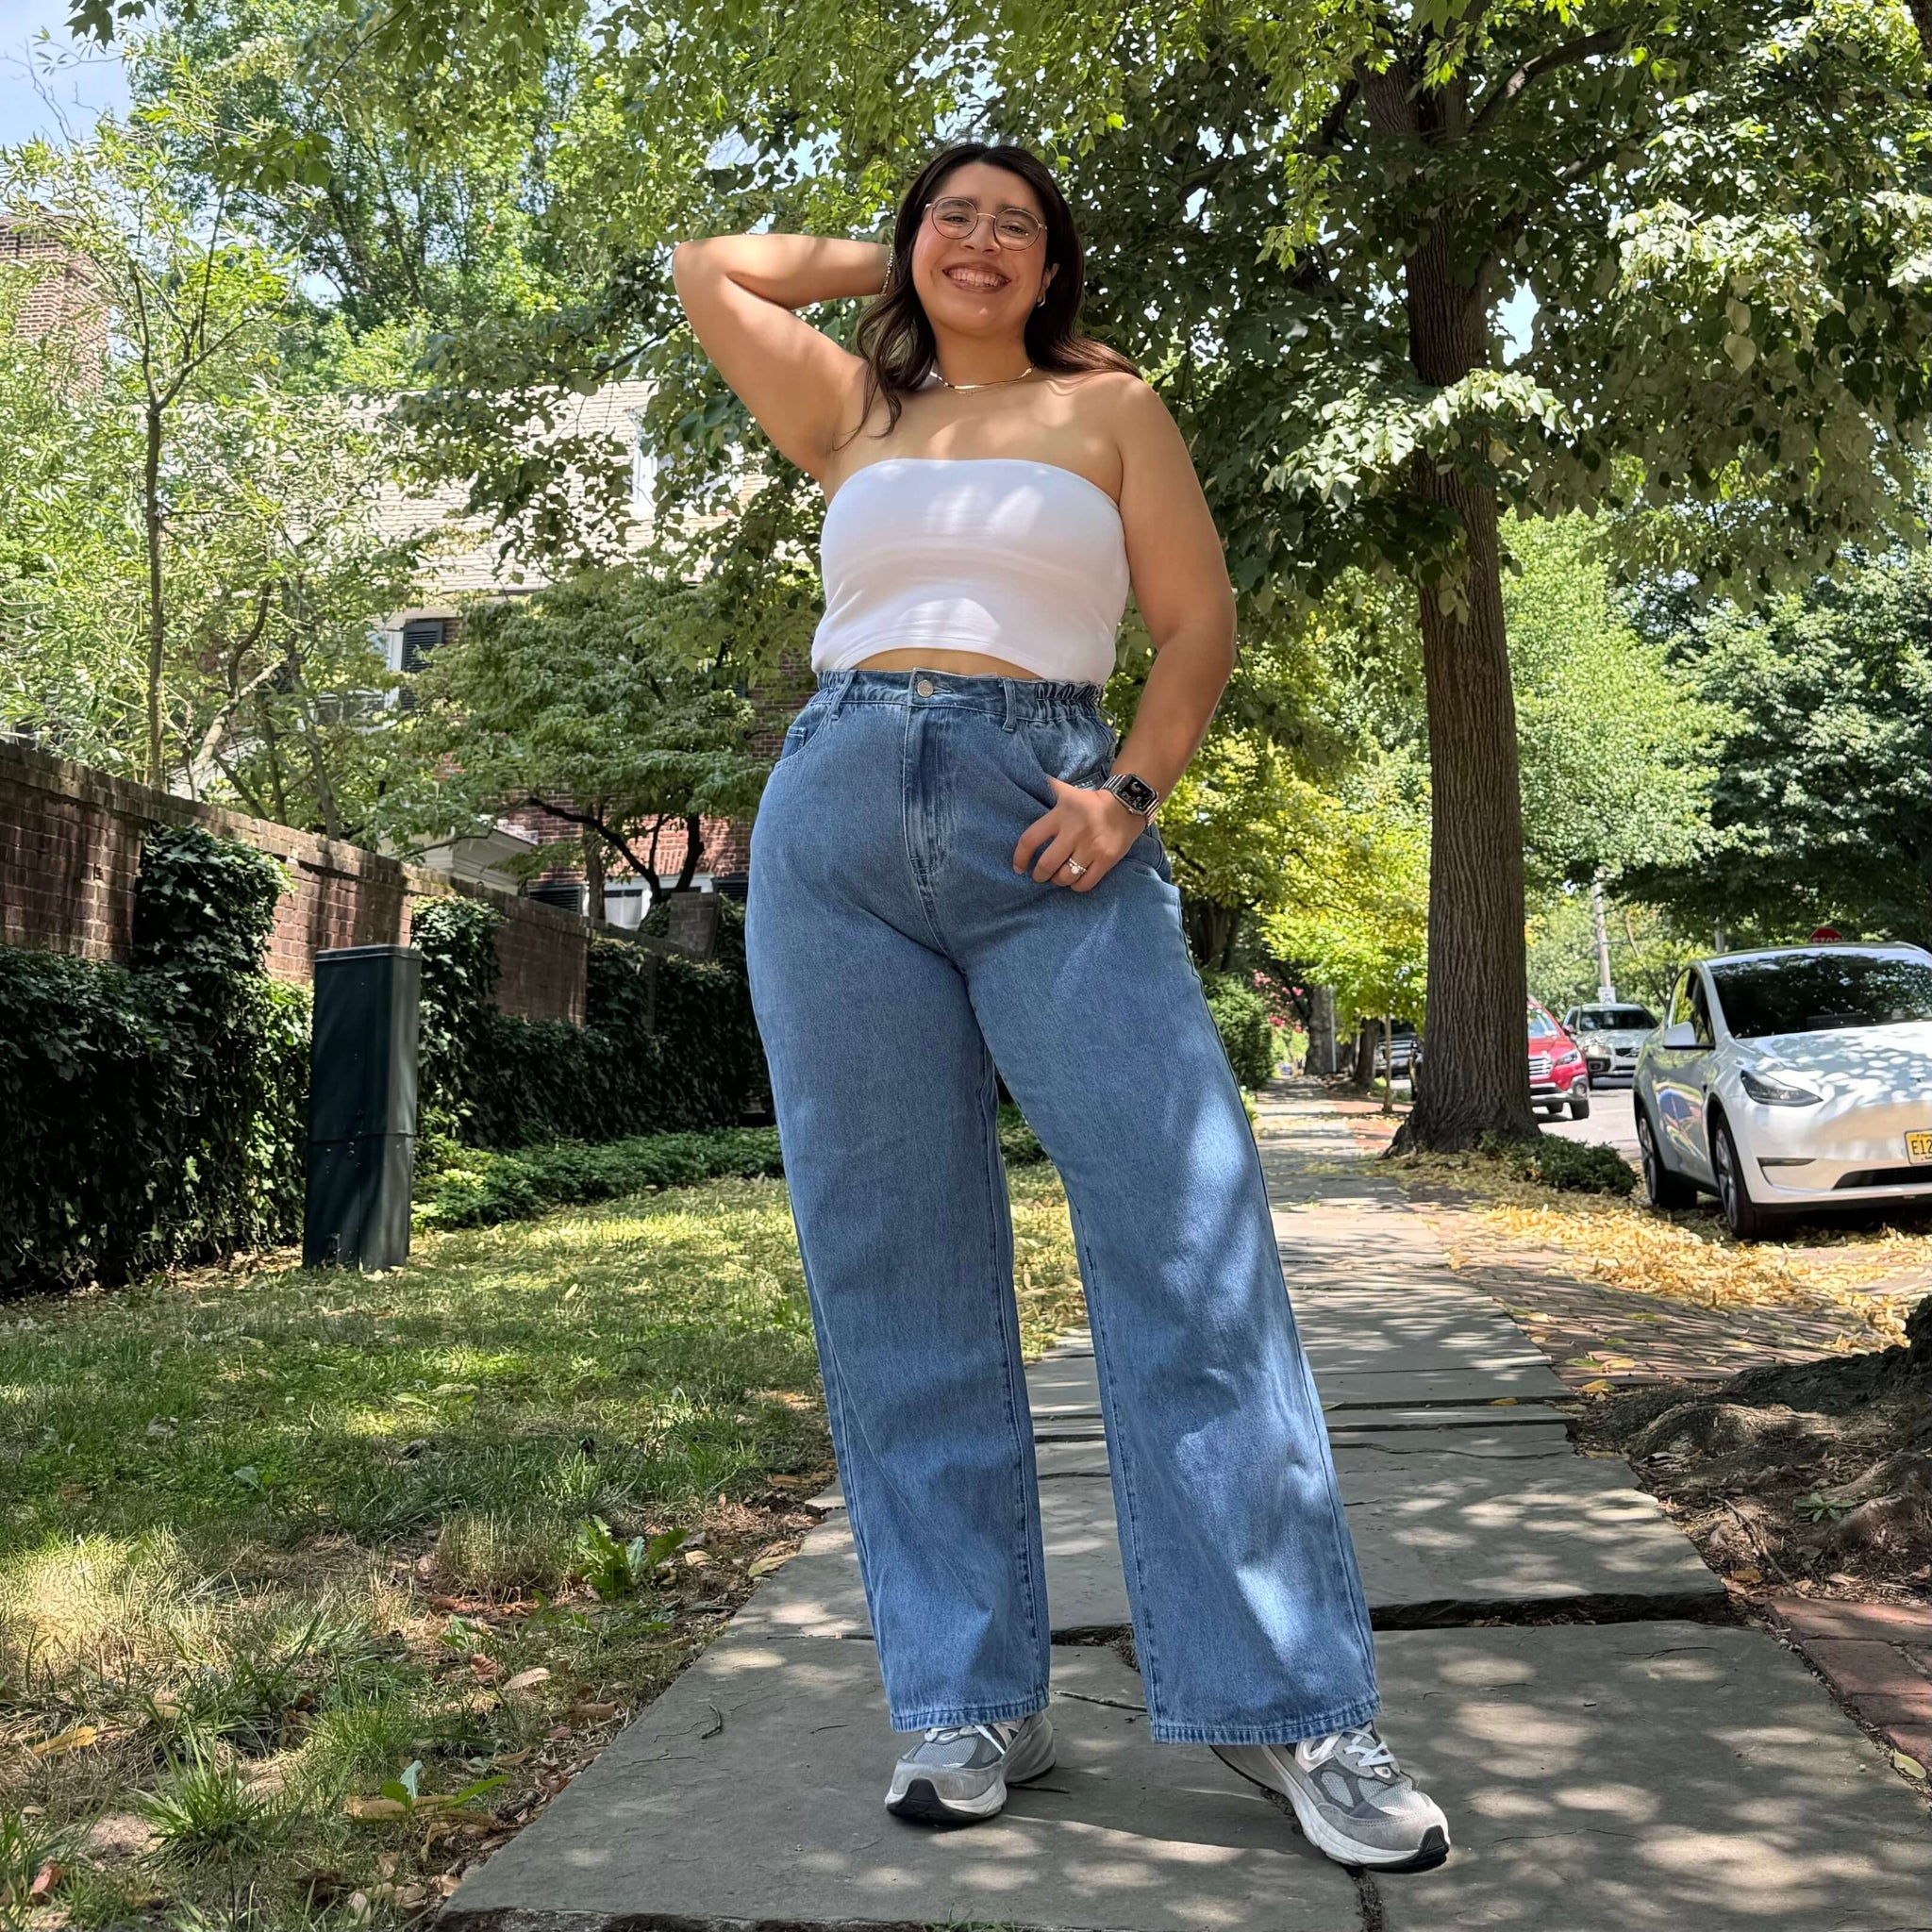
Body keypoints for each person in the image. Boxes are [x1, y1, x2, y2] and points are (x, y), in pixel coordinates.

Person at [673, 142, 1450, 1872]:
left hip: (1050, 815)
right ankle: (968, 1696)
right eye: (953, 215)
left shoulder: (1112, 409)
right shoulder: (854, 413)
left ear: (1053, 265)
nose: (981, 240)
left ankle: (1290, 1706)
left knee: (1190, 1241)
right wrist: (889, 255)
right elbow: (710, 267)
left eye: (1013, 224)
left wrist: (1132, 794)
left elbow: (1196, 621)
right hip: (836, 824)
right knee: (894, 1264)